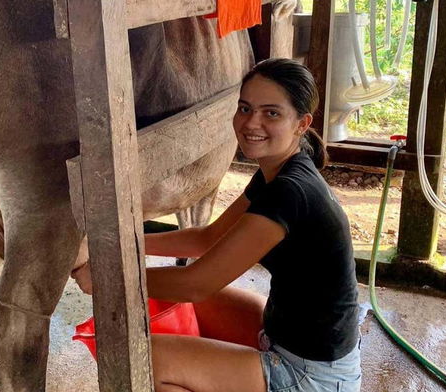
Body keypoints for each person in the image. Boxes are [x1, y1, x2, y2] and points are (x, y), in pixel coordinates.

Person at [71, 58, 361, 392]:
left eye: (272, 113)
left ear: (301, 123)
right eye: (245, 108)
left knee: (147, 358)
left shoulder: (290, 191)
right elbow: (206, 238)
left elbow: (196, 283)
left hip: (313, 375)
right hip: (289, 338)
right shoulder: (279, 171)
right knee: (187, 306)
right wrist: (117, 242)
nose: (251, 123)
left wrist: (107, 279)